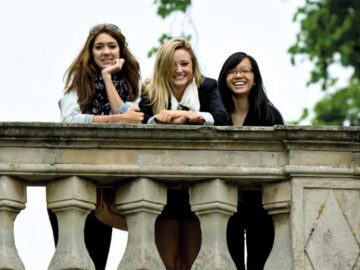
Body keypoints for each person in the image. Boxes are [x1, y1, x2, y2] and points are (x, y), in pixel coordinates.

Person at [49, 23, 144, 270]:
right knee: (70, 261)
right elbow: (70, 120)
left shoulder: (132, 83)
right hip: (74, 178)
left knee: (98, 261)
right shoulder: (78, 82)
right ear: (90, 52)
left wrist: (107, 78)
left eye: (111, 46)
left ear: (121, 49)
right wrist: (115, 120)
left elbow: (132, 118)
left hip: (106, 182)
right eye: (99, 47)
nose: (106, 52)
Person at [139, 38, 230, 269]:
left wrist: (191, 117)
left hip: (198, 185)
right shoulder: (151, 90)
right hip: (163, 186)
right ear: (163, 67)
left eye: (185, 64)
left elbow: (223, 118)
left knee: (193, 262)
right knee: (166, 263)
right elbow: (140, 124)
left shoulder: (207, 86)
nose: (179, 70)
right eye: (173, 64)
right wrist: (159, 118)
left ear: (193, 65)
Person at [217, 52, 284, 270]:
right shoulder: (217, 114)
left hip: (261, 204)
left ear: (255, 79)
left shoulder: (270, 115)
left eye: (245, 70)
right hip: (226, 202)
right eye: (233, 71)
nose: (239, 75)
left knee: (260, 264)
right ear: (225, 78)